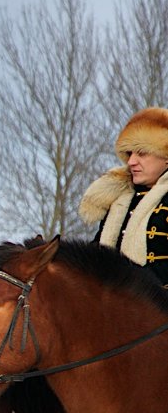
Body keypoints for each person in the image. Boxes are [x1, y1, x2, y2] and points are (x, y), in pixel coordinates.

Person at [80, 106, 168, 287]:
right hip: (115, 306)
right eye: (129, 153)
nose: (131, 161)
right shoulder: (121, 201)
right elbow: (97, 254)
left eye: (142, 153)